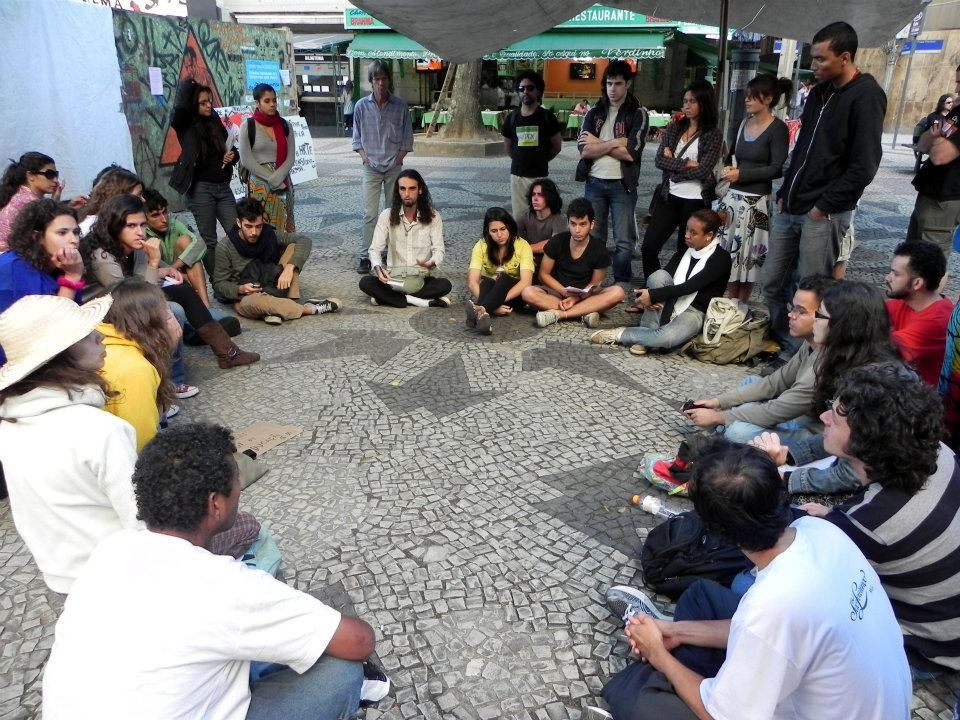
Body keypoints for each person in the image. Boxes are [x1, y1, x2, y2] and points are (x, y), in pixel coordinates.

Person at [43, 422, 383, 720]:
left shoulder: (110, 550)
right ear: (215, 503)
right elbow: (358, 641)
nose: (239, 490)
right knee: (341, 673)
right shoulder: (226, 586)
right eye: (236, 481)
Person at [592, 439, 911, 720]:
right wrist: (675, 630)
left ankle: (661, 678)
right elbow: (766, 632)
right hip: (851, 695)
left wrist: (658, 654)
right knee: (701, 596)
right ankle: (676, 657)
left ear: (717, 531)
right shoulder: (819, 530)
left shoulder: (772, 606)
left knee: (638, 699)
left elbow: (720, 714)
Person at [751, 365, 960, 675]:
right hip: (950, 619)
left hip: (924, 647)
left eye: (836, 417)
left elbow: (790, 571)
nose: (824, 417)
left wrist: (766, 479)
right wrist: (834, 519)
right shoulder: (939, 452)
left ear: (867, 438)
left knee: (748, 586)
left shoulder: (868, 522)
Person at [0, 294, 139, 594]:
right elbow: (141, 518)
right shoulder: (101, 430)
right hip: (121, 574)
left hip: (62, 576)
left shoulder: (7, 427)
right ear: (61, 355)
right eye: (87, 335)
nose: (101, 336)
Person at [762, 21, 886, 357]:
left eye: (821, 59)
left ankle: (805, 359)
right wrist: (785, 192)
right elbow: (803, 148)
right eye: (812, 58)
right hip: (793, 204)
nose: (813, 65)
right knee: (771, 281)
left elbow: (864, 165)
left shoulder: (866, 95)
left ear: (845, 58)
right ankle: (788, 345)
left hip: (824, 212)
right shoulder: (818, 93)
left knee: (811, 292)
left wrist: (824, 205)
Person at [82, 195, 259, 370]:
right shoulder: (102, 256)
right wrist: (153, 263)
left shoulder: (134, 246)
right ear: (115, 226)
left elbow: (141, 285)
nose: (140, 232)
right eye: (131, 226)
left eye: (142, 225)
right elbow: (134, 299)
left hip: (132, 297)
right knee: (175, 310)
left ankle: (227, 352)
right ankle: (176, 376)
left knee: (184, 291)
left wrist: (161, 269)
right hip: (106, 310)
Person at [765, 280, 905, 495]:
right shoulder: (854, 362)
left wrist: (786, 479)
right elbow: (838, 436)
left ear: (844, 326)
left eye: (819, 315)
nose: (814, 321)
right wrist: (790, 455)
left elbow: (854, 473)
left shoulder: (871, 385)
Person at [683, 275, 835, 443]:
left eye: (801, 311)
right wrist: (718, 402)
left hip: (813, 432)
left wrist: (719, 417)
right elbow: (774, 383)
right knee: (751, 382)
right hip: (793, 413)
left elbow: (778, 410)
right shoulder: (810, 344)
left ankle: (725, 432)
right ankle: (726, 430)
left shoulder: (827, 361)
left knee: (739, 432)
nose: (791, 315)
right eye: (793, 308)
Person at [589, 210, 730, 355]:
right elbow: (665, 275)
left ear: (709, 235)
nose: (687, 235)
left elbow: (689, 287)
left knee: (667, 339)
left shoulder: (721, 259)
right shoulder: (686, 250)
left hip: (695, 311)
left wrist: (653, 295)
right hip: (673, 299)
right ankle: (648, 332)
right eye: (687, 229)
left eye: (693, 233)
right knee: (658, 276)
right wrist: (648, 295)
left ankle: (621, 334)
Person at [715, 74, 791, 301]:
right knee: (729, 253)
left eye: (752, 96)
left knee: (749, 256)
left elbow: (776, 168)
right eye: (747, 96)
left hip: (756, 202)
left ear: (768, 99)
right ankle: (731, 301)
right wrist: (729, 168)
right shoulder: (743, 124)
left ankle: (742, 303)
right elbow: (732, 156)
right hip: (732, 198)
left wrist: (743, 174)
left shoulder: (778, 129)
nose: (747, 100)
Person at [640, 81, 722, 284]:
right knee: (649, 246)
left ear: (704, 102)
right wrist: (686, 164)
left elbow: (703, 169)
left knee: (685, 250)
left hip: (695, 200)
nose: (687, 106)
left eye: (692, 101)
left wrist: (674, 166)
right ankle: (654, 287)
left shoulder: (712, 134)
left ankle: (668, 290)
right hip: (669, 195)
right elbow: (659, 160)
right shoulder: (676, 127)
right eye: (685, 101)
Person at [576, 60, 650, 284]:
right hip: (594, 182)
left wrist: (597, 142)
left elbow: (631, 154)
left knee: (623, 241)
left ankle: (622, 283)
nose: (612, 89)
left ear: (627, 84)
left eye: (618, 84)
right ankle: (594, 283)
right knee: (595, 237)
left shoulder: (638, 113)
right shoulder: (594, 112)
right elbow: (584, 150)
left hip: (622, 184)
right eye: (609, 83)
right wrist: (616, 142)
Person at [214, 197, 341, 325]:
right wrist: (240, 289)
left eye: (258, 226)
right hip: (249, 294)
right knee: (252, 303)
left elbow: (305, 240)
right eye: (248, 226)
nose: (254, 232)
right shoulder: (225, 247)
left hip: (274, 281)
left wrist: (289, 268)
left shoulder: (269, 234)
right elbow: (219, 283)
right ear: (238, 223)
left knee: (293, 246)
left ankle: (273, 310)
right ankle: (310, 309)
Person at [98, 278, 179, 451]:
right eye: (164, 309)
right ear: (150, 320)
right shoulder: (135, 370)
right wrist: (167, 345)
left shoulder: (103, 341)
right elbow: (142, 445)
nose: (169, 315)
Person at [169, 77, 239, 275]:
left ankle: (238, 275)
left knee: (236, 233)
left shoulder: (214, 119)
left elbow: (230, 147)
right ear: (193, 104)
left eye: (210, 101)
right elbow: (180, 107)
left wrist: (232, 156)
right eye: (203, 102)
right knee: (209, 240)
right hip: (201, 189)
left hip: (222, 186)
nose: (209, 105)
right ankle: (218, 281)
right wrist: (191, 84)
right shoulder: (185, 123)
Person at [520, 197, 625, 328]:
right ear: (568, 223)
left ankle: (559, 314)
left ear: (592, 224)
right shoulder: (557, 241)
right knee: (528, 292)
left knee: (618, 292)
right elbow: (543, 274)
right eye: (573, 224)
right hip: (557, 293)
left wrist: (576, 298)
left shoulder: (599, 250)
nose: (577, 230)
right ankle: (585, 312)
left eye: (583, 224)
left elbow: (594, 284)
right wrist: (564, 292)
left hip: (586, 296)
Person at [352, 61, 414, 275]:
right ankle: (365, 255)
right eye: (376, 79)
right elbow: (356, 137)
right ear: (371, 81)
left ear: (389, 80)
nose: (380, 83)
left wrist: (399, 158)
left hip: (393, 167)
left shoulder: (400, 106)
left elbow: (407, 136)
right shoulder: (361, 106)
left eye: (384, 79)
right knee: (369, 213)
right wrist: (364, 157)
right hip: (371, 167)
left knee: (393, 212)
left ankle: (389, 252)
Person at [359, 169, 451, 309]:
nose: (407, 194)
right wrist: (378, 268)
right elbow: (374, 249)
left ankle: (390, 299)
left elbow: (439, 250)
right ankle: (419, 301)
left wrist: (431, 262)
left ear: (420, 190)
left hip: (420, 278)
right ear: (398, 191)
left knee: (445, 285)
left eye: (412, 188)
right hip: (393, 280)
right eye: (402, 189)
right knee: (365, 282)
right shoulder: (387, 215)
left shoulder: (433, 216)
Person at [0, 199, 86, 315]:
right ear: (37, 237)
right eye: (62, 233)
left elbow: (76, 312)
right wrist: (72, 277)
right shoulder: (14, 270)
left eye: (76, 232)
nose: (74, 240)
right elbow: (53, 321)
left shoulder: (65, 265)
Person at [884, 240, 953, 386]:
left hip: (926, 395)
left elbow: (879, 352)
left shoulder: (935, 321)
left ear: (917, 283)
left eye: (895, 274)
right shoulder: (906, 301)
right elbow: (869, 314)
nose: (887, 278)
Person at [909, 66, 960, 261]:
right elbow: (922, 144)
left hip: (945, 199)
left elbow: (939, 156)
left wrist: (935, 140)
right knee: (913, 255)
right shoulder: (955, 112)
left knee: (930, 262)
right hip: (930, 192)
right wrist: (934, 140)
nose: (956, 89)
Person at [501, 70, 562, 220]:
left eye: (530, 88)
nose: (525, 92)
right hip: (518, 176)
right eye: (521, 89)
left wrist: (541, 159)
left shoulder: (547, 118)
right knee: (519, 217)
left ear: (538, 91)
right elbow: (508, 147)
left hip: (539, 176)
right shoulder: (511, 118)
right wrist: (520, 159)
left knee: (540, 216)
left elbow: (556, 147)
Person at [465, 207, 535, 334]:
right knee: (487, 281)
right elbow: (472, 282)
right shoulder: (481, 246)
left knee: (504, 279)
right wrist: (493, 304)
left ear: (509, 227)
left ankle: (480, 309)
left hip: (515, 295)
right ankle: (483, 315)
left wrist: (496, 301)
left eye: (503, 229)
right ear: (488, 231)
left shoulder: (522, 245)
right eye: (494, 231)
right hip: (490, 291)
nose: (499, 235)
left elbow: (526, 281)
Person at [239, 83, 296, 232]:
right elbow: (246, 160)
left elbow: (291, 157)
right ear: (257, 103)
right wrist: (272, 178)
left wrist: (279, 178)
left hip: (283, 182)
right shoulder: (248, 126)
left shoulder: (285, 125)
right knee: (259, 226)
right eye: (267, 101)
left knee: (285, 226)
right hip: (259, 184)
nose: (272, 104)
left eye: (274, 100)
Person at [0, 152, 84, 252]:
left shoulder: (20, 194)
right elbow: (48, 228)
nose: (56, 180)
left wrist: (59, 202)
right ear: (30, 176)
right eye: (49, 174)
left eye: (56, 175)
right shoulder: (27, 202)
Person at [142, 188, 210, 307]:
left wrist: (174, 267)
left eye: (164, 212)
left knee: (186, 241)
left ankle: (205, 305)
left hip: (179, 270)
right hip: (158, 279)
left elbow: (199, 243)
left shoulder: (175, 220)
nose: (164, 219)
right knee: (154, 245)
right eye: (155, 215)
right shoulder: (141, 233)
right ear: (144, 218)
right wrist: (171, 271)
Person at [78, 167, 143, 236]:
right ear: (119, 196)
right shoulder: (89, 228)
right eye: (138, 196)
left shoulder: (117, 221)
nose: (143, 200)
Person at [516, 178, 566, 262]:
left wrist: (525, 249)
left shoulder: (560, 219)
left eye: (541, 195)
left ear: (550, 197)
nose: (535, 199)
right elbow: (513, 238)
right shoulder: (524, 215)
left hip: (550, 261)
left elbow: (553, 245)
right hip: (527, 259)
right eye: (533, 194)